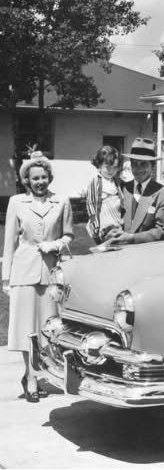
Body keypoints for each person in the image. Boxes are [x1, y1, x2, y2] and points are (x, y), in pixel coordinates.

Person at [1, 151, 73, 403]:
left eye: (43, 177)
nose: (40, 182)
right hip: (23, 272)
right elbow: (9, 243)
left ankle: (42, 373)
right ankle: (30, 377)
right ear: (27, 181)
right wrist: (5, 278)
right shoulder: (16, 203)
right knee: (24, 328)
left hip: (51, 272)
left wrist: (55, 246)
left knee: (48, 329)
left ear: (49, 178)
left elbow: (69, 236)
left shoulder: (62, 201)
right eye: (35, 178)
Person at [103, 137, 164, 245]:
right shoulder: (122, 188)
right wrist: (109, 232)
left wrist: (131, 238)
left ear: (153, 166)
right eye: (135, 164)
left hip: (148, 256)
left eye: (144, 164)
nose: (138, 169)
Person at [85, 145, 124, 244]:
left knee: (118, 245)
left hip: (116, 220)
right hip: (103, 221)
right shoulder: (96, 182)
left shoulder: (117, 182)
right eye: (107, 167)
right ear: (99, 165)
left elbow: (122, 201)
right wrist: (95, 225)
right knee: (105, 246)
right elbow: (91, 204)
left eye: (114, 167)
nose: (111, 171)